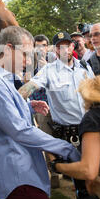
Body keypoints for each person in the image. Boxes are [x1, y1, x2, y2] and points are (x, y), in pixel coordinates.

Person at [0, 26, 80, 199]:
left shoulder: (2, 78)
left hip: (24, 167)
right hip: (17, 172)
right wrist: (66, 148)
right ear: (8, 49)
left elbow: (3, 114)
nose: (29, 62)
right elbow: (19, 130)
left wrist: (29, 107)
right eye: (26, 55)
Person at [18, 31, 95, 147]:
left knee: (95, 164)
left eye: (67, 46)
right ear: (55, 50)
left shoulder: (84, 67)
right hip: (67, 135)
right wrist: (13, 99)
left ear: (72, 46)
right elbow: (29, 87)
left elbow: (96, 91)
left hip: (91, 129)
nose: (65, 50)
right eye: (60, 47)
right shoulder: (48, 70)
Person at [31, 34, 59, 188]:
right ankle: (53, 173)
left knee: (60, 137)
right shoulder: (29, 62)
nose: (40, 48)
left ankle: (67, 169)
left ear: (47, 47)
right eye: (37, 45)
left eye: (43, 45)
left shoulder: (54, 60)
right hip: (39, 105)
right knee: (47, 137)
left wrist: (47, 68)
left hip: (56, 105)